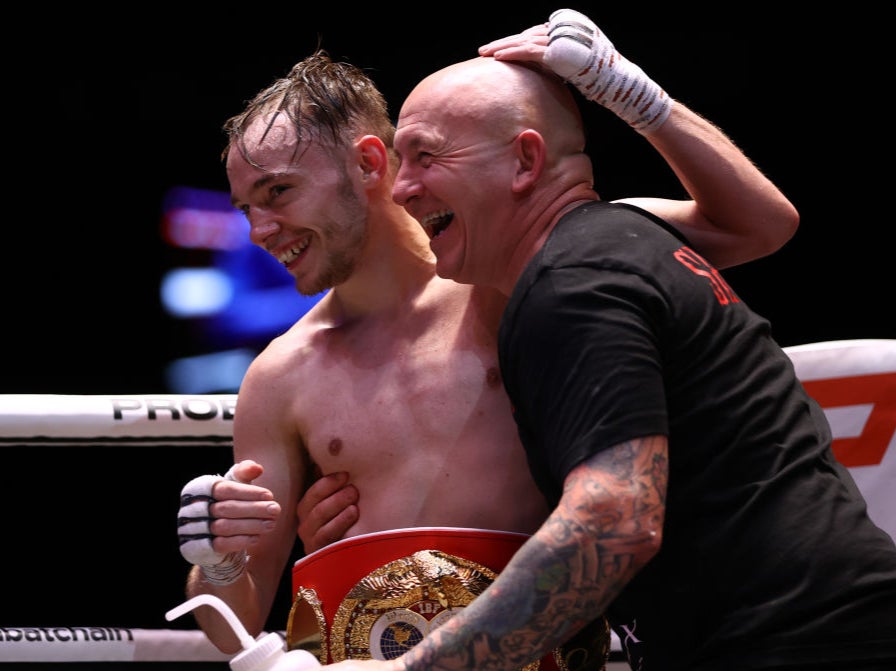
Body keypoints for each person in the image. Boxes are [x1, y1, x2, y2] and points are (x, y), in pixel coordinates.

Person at [175, 8, 801, 663]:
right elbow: (234, 625)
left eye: (279, 192)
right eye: (247, 208)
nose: (259, 230)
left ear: (367, 163)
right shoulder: (280, 377)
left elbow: (760, 226)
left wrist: (628, 92)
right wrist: (218, 563)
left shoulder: (528, 266)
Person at [317, 9, 896, 671]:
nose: (403, 186)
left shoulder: (570, 282)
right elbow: (766, 222)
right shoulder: (618, 237)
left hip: (794, 641)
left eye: (425, 155)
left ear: (525, 161)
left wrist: (412, 669)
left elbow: (615, 521)